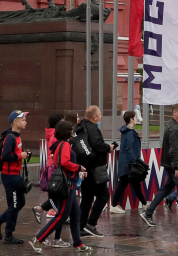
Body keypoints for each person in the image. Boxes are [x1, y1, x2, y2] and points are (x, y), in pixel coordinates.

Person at [29, 120, 90, 252]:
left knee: (75, 214)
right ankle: (38, 239)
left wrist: (77, 172)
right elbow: (65, 162)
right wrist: (79, 168)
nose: (72, 132)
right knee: (62, 215)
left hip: (69, 184)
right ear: (67, 132)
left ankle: (78, 243)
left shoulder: (58, 144)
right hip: (68, 185)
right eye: (71, 130)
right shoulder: (65, 145)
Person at [0, 110, 31, 245]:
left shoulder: (17, 137)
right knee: (13, 205)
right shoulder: (10, 138)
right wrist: (21, 156)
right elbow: (5, 157)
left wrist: (24, 155)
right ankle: (8, 235)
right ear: (15, 121)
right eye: (23, 120)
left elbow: (15, 154)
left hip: (15, 175)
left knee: (21, 203)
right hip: (9, 176)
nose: (25, 122)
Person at [75, 105, 116, 238]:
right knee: (103, 195)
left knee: (86, 198)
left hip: (85, 167)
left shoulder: (81, 127)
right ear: (94, 117)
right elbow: (97, 144)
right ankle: (91, 224)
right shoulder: (92, 127)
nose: (100, 117)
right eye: (99, 114)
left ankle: (80, 227)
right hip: (95, 168)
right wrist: (108, 147)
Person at [111, 110, 148, 213]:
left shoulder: (126, 131)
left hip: (126, 163)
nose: (137, 119)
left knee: (132, 184)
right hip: (129, 164)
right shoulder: (130, 132)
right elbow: (129, 148)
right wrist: (134, 162)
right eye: (135, 117)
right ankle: (113, 205)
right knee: (124, 184)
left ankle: (144, 204)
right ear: (131, 119)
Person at [33, 113, 65, 224]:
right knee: (58, 193)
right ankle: (52, 211)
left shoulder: (52, 135)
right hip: (55, 167)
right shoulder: (56, 136)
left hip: (52, 166)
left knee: (56, 193)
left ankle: (45, 209)